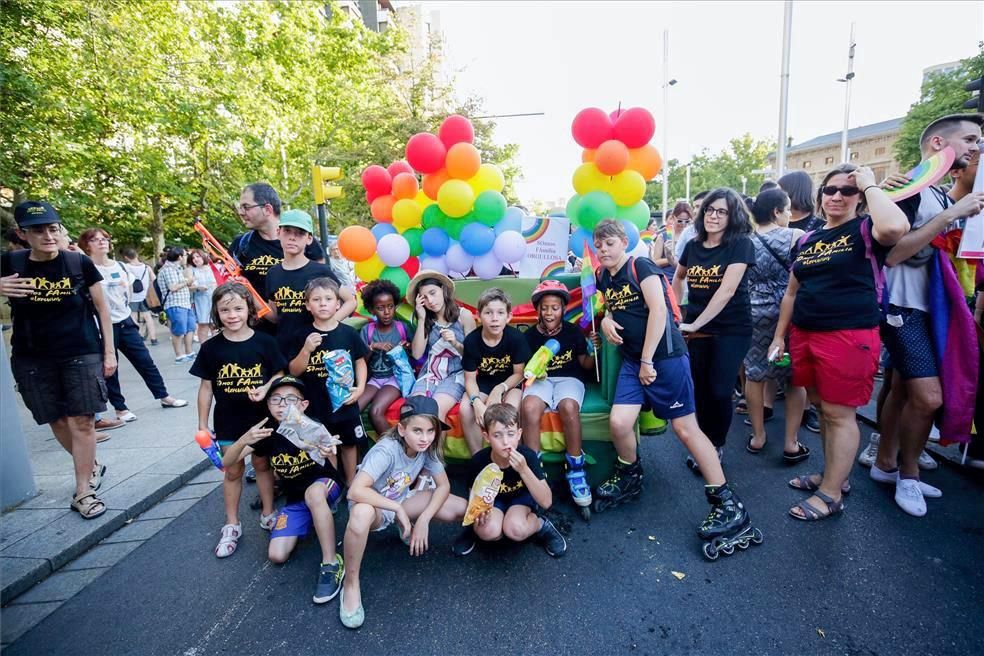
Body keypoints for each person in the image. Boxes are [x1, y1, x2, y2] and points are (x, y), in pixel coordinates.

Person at [594, 219, 754, 542]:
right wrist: (607, 321)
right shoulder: (603, 276)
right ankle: (630, 473)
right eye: (598, 246)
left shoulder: (641, 266)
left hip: (663, 359)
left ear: (623, 241)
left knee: (685, 429)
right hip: (633, 361)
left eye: (609, 243)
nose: (603, 250)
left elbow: (659, 312)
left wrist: (648, 360)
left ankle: (727, 504)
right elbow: (611, 308)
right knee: (619, 423)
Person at [769, 164, 909, 521]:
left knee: (839, 413)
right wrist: (779, 336)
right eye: (830, 190)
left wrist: (870, 184)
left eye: (847, 191)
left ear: (859, 198)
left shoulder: (867, 229)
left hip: (848, 334)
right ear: (819, 197)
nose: (836, 196)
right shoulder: (807, 238)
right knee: (823, 408)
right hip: (805, 332)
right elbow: (791, 292)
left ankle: (830, 493)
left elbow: (895, 227)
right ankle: (834, 476)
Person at [872, 114, 984, 516]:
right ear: (938, 144)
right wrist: (950, 217)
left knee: (903, 389)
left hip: (927, 308)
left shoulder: (936, 193)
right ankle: (909, 474)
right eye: (970, 139)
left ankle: (886, 464)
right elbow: (894, 254)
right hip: (902, 309)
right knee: (928, 396)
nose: (976, 148)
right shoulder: (908, 188)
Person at [0, 201, 117, 519]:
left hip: (81, 351)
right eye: (39, 230)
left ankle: (83, 490)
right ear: (24, 235)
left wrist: (109, 352)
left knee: (82, 420)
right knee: (55, 418)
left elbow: (102, 310)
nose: (48, 235)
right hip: (31, 355)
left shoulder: (77, 263)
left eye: (53, 228)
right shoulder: (9, 262)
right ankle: (91, 465)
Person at [339, 395, 467, 629]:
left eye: (431, 431)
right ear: (401, 428)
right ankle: (350, 583)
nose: (425, 438)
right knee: (360, 515)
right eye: (418, 431)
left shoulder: (427, 447)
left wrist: (424, 520)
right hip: (376, 507)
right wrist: (397, 508)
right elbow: (355, 491)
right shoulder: (386, 450)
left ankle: (405, 524)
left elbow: (444, 486)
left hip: (401, 499)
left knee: (460, 509)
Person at [221, 375, 346, 604]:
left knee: (314, 495)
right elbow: (228, 463)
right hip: (297, 498)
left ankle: (331, 562)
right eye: (275, 399)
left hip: (326, 486)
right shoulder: (266, 433)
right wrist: (242, 440)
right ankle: (313, 518)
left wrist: (329, 454)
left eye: (290, 399)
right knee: (276, 555)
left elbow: (333, 469)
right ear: (267, 405)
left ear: (303, 404)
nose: (282, 405)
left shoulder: (313, 426)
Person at [190, 282, 286, 556]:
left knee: (263, 464)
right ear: (216, 313)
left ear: (249, 310)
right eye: (225, 310)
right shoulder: (211, 348)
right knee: (232, 470)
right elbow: (206, 387)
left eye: (238, 308)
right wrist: (201, 424)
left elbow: (279, 373)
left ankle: (269, 513)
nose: (232, 315)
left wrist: (267, 388)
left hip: (261, 418)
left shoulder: (265, 342)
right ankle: (232, 524)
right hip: (228, 420)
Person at [671, 188, 756, 465]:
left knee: (720, 389)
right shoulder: (693, 246)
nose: (713, 216)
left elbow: (727, 290)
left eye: (722, 211)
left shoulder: (740, 244)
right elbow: (679, 276)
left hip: (731, 328)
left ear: (733, 217)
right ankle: (704, 442)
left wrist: (695, 322)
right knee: (701, 389)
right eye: (709, 210)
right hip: (697, 328)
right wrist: (675, 310)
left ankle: (715, 443)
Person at [78, 228, 187, 421]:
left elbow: (130, 292)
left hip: (125, 320)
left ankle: (164, 396)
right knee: (110, 367)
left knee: (145, 361)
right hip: (102, 324)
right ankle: (120, 408)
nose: (102, 242)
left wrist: (131, 315)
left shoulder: (120, 266)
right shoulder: (85, 267)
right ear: (87, 245)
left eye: (104, 239)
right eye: (95, 240)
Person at [741, 189, 808, 462]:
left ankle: (758, 436)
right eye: (788, 209)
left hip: (753, 311)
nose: (790, 215)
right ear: (776, 212)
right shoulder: (796, 236)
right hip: (789, 311)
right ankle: (791, 442)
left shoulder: (743, 241)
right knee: (794, 377)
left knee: (754, 374)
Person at [520, 280, 597, 511]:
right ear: (538, 310)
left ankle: (576, 469)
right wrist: (533, 371)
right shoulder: (531, 336)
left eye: (555, 307)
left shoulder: (573, 333)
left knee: (568, 407)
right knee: (530, 407)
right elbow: (526, 369)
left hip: (569, 379)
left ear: (563, 309)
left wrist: (593, 351)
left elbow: (584, 365)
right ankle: (534, 469)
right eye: (545, 307)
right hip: (541, 381)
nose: (549, 312)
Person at [455, 403, 567, 557]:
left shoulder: (528, 456)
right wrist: (477, 515)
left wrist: (524, 470)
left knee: (515, 529)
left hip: (521, 499)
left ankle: (541, 525)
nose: (506, 442)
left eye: (510, 434)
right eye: (497, 435)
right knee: (488, 531)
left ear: (519, 434)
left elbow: (546, 502)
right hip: (493, 500)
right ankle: (473, 531)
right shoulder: (479, 461)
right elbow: (473, 495)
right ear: (486, 437)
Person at [288, 277, 368, 486]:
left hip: (345, 402)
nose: (323, 303)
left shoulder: (348, 332)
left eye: (328, 298)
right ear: (307, 305)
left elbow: (360, 362)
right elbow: (294, 370)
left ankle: (351, 484)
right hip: (315, 402)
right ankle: (332, 486)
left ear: (338, 304)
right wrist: (306, 349)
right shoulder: (301, 335)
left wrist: (359, 389)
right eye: (316, 299)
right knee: (323, 444)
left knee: (349, 443)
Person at [230, 182, 327, 334]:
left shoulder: (305, 242)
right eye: (240, 207)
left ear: (267, 209)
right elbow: (229, 287)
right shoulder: (240, 245)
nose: (241, 212)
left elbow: (324, 286)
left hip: (304, 332)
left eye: (246, 207)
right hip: (256, 333)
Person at [264, 209, 353, 356]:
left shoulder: (320, 271)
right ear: (278, 233)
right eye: (287, 231)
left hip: (319, 348)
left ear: (309, 239)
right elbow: (275, 316)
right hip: (284, 347)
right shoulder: (273, 273)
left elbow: (350, 301)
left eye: (299, 233)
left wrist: (328, 325)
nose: (292, 237)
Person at [777, 169, 823, 434]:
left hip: (805, 296)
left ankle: (808, 409)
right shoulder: (777, 221)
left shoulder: (817, 225)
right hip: (779, 295)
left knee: (805, 357)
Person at [459, 288, 530, 455]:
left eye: (500, 313)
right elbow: (469, 379)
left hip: (510, 384)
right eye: (488, 313)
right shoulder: (472, 341)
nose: (494, 318)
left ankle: (510, 455)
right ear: (479, 316)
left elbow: (519, 374)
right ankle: (477, 458)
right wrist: (476, 402)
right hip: (483, 383)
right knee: (465, 409)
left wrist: (500, 389)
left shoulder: (516, 338)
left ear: (509, 317)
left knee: (510, 409)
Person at [407, 270, 477, 422]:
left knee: (436, 410)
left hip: (457, 373)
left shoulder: (464, 316)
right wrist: (421, 319)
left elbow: (474, 356)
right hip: (431, 372)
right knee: (415, 409)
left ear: (443, 290)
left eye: (433, 293)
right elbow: (417, 354)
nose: (430, 301)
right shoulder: (426, 319)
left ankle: (437, 447)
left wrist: (455, 343)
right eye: (424, 298)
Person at [358, 278, 412, 435]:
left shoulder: (402, 328)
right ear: (371, 310)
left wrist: (406, 348)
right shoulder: (367, 331)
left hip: (395, 378)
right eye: (380, 308)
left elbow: (414, 356)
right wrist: (373, 347)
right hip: (374, 379)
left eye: (390, 306)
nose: (387, 312)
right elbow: (361, 362)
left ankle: (395, 449)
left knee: (375, 412)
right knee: (353, 410)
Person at [156, 247, 196, 363]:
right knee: (178, 330)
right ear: (180, 257)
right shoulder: (168, 270)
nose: (186, 257)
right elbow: (173, 287)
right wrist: (188, 281)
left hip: (185, 303)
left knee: (190, 328)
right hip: (175, 304)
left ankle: (189, 352)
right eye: (185, 255)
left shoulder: (177, 268)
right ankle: (179, 355)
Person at [119, 247, 158, 345]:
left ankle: (137, 337)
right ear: (136, 255)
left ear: (126, 257)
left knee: (133, 317)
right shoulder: (146, 267)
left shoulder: (126, 267)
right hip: (145, 296)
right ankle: (153, 338)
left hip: (132, 296)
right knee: (148, 316)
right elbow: (154, 279)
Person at [651, 202, 691, 281]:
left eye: (687, 221)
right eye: (680, 221)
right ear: (673, 218)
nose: (683, 224)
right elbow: (655, 262)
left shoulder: (691, 236)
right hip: (668, 280)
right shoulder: (663, 236)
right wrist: (670, 258)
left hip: (686, 280)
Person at [188, 249, 217, 345]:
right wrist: (197, 287)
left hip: (214, 298)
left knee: (215, 324)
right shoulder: (191, 271)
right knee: (203, 324)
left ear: (203, 257)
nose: (195, 259)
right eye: (193, 258)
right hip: (200, 300)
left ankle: (218, 348)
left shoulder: (213, 268)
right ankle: (203, 348)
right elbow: (188, 286)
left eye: (198, 256)